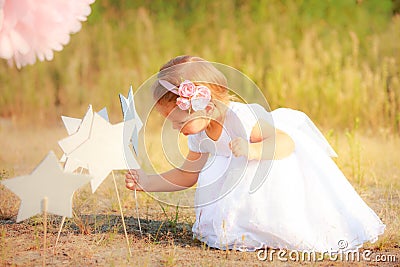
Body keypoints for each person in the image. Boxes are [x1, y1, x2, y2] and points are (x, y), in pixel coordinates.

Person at [125, 55, 385, 252]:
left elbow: (286, 143)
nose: (174, 127)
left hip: (272, 175)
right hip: (238, 189)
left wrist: (253, 149)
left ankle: (273, 228)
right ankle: (240, 227)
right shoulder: (199, 134)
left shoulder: (243, 118)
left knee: (283, 226)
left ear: (206, 105)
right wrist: (146, 181)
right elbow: (186, 174)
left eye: (179, 122)